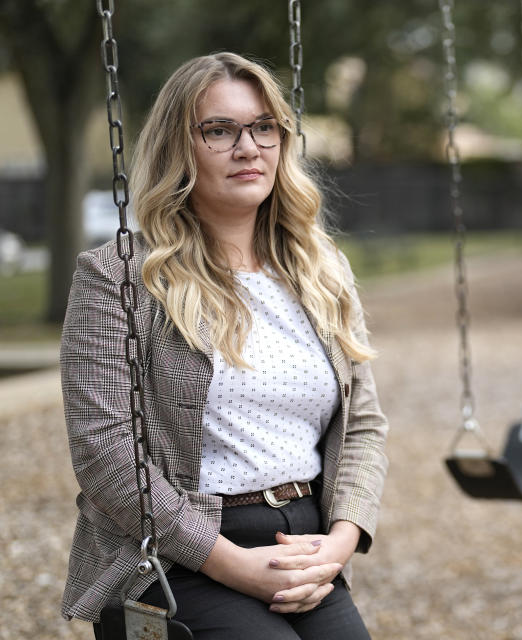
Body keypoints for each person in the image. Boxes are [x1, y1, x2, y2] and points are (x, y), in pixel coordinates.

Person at [59, 52, 389, 640]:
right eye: (219, 130)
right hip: (175, 554)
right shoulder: (120, 276)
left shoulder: (321, 269)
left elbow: (361, 423)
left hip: (305, 540)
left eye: (265, 127)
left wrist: (337, 544)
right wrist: (228, 561)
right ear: (177, 147)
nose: (249, 147)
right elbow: (103, 451)